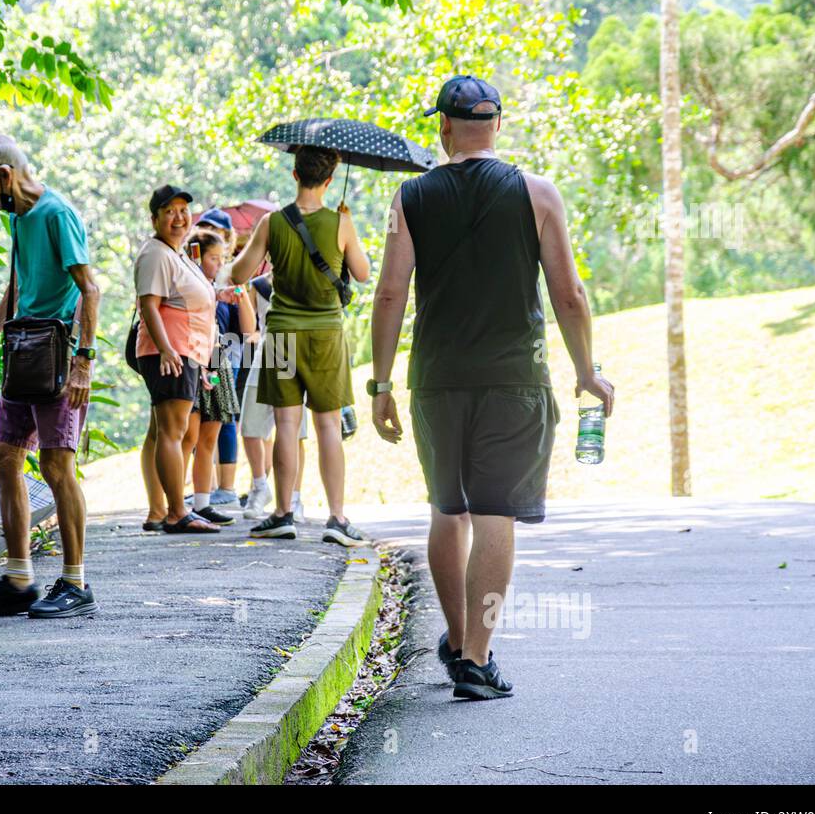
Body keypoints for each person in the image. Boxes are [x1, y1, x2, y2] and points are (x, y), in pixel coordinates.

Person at [370, 74, 616, 700]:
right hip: (514, 381)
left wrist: (379, 382)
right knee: (495, 510)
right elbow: (569, 293)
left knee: (447, 509)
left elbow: (391, 292)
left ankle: (458, 644)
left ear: (443, 127)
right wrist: (586, 370)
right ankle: (476, 657)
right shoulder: (537, 194)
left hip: (436, 382)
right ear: (498, 126)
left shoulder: (410, 198)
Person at [0, 134, 102, 618]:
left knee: (56, 467)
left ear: (4, 176)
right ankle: (19, 579)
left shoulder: (56, 214)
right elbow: (17, 284)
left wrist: (84, 360)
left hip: (57, 353)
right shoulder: (20, 218)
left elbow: (90, 287)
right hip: (23, 347)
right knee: (3, 458)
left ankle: (76, 582)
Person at [230, 146, 371, 545]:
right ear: (329, 181)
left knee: (286, 425)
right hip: (326, 335)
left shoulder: (272, 223)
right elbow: (360, 274)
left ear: (295, 174)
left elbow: (239, 272)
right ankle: (338, 519)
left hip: (281, 334)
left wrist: (272, 260)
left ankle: (283, 512)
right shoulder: (341, 223)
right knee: (327, 425)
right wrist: (346, 227)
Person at [135, 185, 221, 533]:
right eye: (169, 211)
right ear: (155, 218)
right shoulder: (156, 253)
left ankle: (161, 511)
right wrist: (169, 348)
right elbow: (149, 306)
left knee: (163, 432)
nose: (178, 217)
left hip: (186, 352)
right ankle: (176, 512)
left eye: (183, 209)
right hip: (169, 352)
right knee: (174, 431)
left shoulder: (177, 253)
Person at [180, 226, 254, 525]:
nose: (219, 264)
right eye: (213, 258)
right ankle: (175, 503)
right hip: (193, 355)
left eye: (222, 257)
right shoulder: (188, 283)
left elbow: (248, 331)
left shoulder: (221, 289)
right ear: (197, 257)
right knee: (189, 436)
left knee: (211, 433)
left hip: (219, 355)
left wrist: (240, 293)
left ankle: (202, 502)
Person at [236, 269, 309, 522]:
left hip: (295, 352)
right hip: (264, 354)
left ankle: (295, 498)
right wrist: (239, 290)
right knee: (249, 427)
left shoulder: (303, 277)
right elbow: (249, 330)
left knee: (295, 432)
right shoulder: (258, 284)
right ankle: (260, 487)